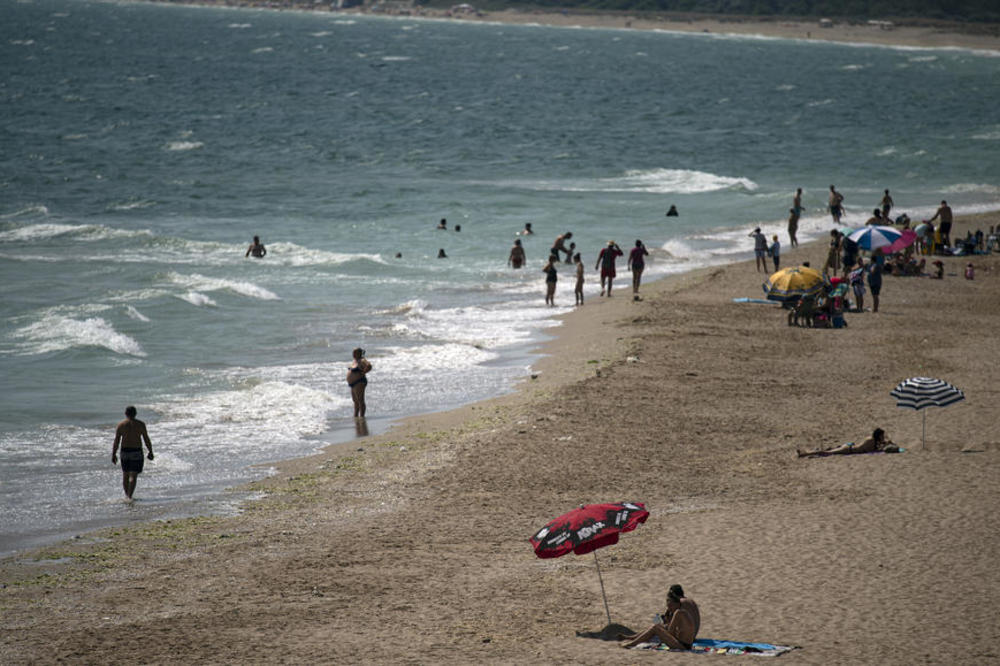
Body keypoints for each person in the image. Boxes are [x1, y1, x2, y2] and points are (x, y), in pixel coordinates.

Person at [620, 584, 700, 650]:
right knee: (658, 627)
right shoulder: (684, 610)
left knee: (656, 628)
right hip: (688, 641)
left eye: (670, 606)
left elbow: (670, 633)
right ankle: (634, 639)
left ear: (676, 603)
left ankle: (631, 644)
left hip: (683, 645)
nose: (669, 609)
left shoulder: (678, 612)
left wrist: (663, 627)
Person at [112, 406, 154, 500]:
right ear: (135, 413)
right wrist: (150, 451)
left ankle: (127, 496)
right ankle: (129, 496)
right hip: (136, 451)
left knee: (125, 475)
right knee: (133, 476)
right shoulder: (140, 424)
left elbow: (116, 441)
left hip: (124, 451)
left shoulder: (121, 425)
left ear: (125, 413)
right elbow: (146, 439)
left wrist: (113, 454)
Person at [797, 428, 899, 458]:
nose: (883, 437)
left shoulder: (873, 439)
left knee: (828, 450)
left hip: (850, 446)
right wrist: (884, 446)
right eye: (882, 435)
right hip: (848, 450)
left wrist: (887, 442)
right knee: (826, 453)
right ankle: (805, 453)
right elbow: (870, 450)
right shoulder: (871, 441)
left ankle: (809, 452)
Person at [346, 348, 372, 418]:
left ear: (359, 353)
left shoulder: (362, 360)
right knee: (355, 401)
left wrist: (364, 372)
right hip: (353, 384)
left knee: (360, 400)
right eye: (353, 352)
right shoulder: (354, 361)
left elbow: (369, 366)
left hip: (359, 382)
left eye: (355, 353)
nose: (353, 354)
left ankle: (362, 416)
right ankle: (356, 416)